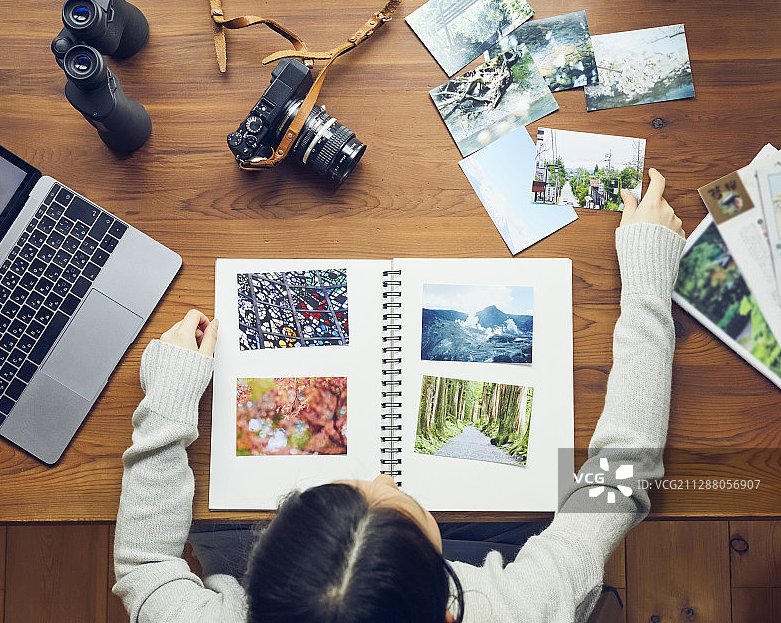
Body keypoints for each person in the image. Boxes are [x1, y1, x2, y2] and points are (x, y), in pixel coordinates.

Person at [113, 168, 686, 622]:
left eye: (359, 485)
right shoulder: (517, 610)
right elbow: (621, 476)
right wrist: (648, 280)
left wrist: (168, 395)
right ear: (444, 605)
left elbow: (144, 567)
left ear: (256, 576)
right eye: (396, 500)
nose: (385, 478)